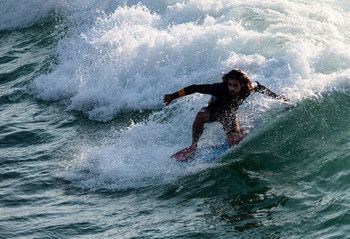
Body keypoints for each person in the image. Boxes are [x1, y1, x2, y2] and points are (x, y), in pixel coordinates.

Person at [163, 69, 289, 161]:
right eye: (230, 85)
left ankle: (244, 132)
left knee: (233, 142)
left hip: (229, 115)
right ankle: (193, 146)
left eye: (235, 86)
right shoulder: (219, 88)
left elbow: (261, 87)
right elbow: (195, 87)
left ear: (243, 85)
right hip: (212, 111)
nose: (232, 88)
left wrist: (278, 97)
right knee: (201, 115)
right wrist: (173, 96)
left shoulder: (249, 88)